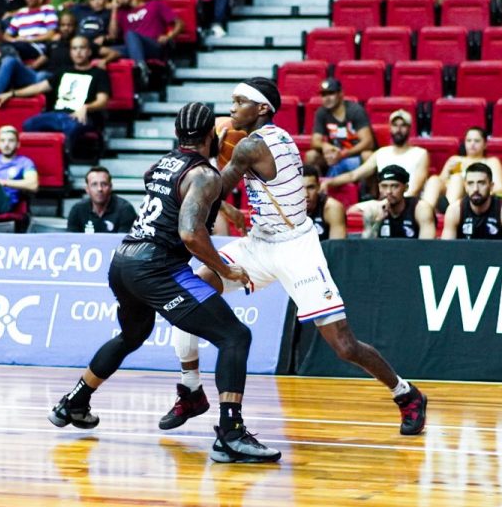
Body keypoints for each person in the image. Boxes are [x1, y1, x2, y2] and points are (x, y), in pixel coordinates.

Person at [164, 79, 427, 436]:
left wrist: (196, 153)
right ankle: (191, 389)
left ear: (262, 109)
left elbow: (211, 191)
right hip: (259, 242)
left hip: (295, 248)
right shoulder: (275, 135)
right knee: (189, 294)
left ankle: (406, 394)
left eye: (240, 102)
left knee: (344, 345)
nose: (232, 107)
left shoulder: (250, 147)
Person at [50, 101, 279, 464]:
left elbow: (158, 184)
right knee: (235, 336)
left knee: (132, 334)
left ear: (178, 135)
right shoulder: (204, 176)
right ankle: (231, 435)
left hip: (123, 261)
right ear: (211, 136)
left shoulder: (163, 164)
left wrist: (213, 205)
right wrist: (227, 269)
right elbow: (190, 234)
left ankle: (74, 402)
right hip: (157, 268)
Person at [13, 36, 111, 152]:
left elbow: (103, 101)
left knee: (70, 127)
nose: (78, 52)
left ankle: (63, 163)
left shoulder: (99, 73)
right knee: (29, 124)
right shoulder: (63, 71)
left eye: (82, 48)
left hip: (81, 117)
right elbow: (39, 87)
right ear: (70, 52)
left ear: (89, 51)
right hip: (57, 114)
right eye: (74, 49)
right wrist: (12, 93)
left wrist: (86, 107)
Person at [322, 109, 429, 199]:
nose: (398, 129)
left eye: (403, 126)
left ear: (410, 128)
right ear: (390, 128)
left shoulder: (420, 154)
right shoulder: (382, 153)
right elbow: (354, 175)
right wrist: (329, 182)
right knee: (352, 212)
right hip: (383, 203)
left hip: (409, 204)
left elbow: (416, 189)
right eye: (395, 125)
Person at [109, 0, 182, 87]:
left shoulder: (154, 5)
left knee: (130, 34)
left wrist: (169, 36)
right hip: (132, 48)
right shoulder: (121, 13)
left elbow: (180, 23)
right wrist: (114, 10)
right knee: (104, 50)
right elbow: (113, 35)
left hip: (153, 46)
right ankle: (139, 67)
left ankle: (140, 68)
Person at [424, 126, 502, 209]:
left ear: (485, 144)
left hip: (473, 198)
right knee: (434, 179)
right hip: (447, 195)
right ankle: (425, 212)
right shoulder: (455, 159)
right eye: (469, 140)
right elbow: (440, 182)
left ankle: (450, 212)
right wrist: (446, 172)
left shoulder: (491, 162)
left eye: (477, 141)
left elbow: (499, 189)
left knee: (457, 178)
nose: (472, 144)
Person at [307, 77, 374, 177]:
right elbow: (315, 141)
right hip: (334, 155)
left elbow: (368, 142)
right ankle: (315, 189)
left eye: (331, 93)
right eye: (324, 95)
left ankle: (369, 193)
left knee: (368, 155)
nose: (327, 98)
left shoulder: (355, 110)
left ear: (341, 94)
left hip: (355, 155)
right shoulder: (321, 112)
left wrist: (344, 154)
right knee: (311, 155)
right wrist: (325, 146)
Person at [351, 165, 437, 239]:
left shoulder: (420, 209)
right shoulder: (375, 209)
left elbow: (428, 248)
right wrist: (375, 225)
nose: (388, 191)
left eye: (395, 186)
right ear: (379, 187)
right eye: (384, 186)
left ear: (406, 187)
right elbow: (367, 249)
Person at [441, 162, 502, 240]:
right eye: (470, 183)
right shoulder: (455, 210)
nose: (475, 189)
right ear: (465, 186)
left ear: (491, 186)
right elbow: (446, 250)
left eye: (481, 183)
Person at [66, 166, 138, 234]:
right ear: (87, 189)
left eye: (104, 184)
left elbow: (126, 244)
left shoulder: (125, 210)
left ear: (110, 187)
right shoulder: (77, 210)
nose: (99, 189)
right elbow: (71, 241)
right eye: (94, 184)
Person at [303, 164, 347, 240]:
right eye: (300, 188)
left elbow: (336, 248)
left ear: (318, 187)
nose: (306, 194)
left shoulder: (332, 208)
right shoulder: (286, 209)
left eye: (311, 188)